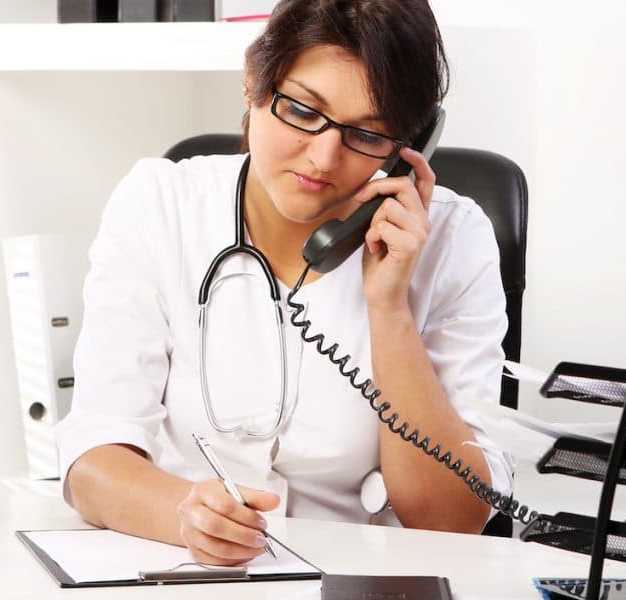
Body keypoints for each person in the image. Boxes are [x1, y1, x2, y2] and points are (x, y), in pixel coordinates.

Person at [56, 0, 513, 567]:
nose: (323, 157)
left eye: (367, 134)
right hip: (191, 574)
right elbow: (92, 459)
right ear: (254, 80)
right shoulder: (159, 203)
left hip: (363, 581)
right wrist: (186, 516)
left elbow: (451, 521)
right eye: (301, 110)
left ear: (409, 146)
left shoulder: (455, 239)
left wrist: (389, 307)